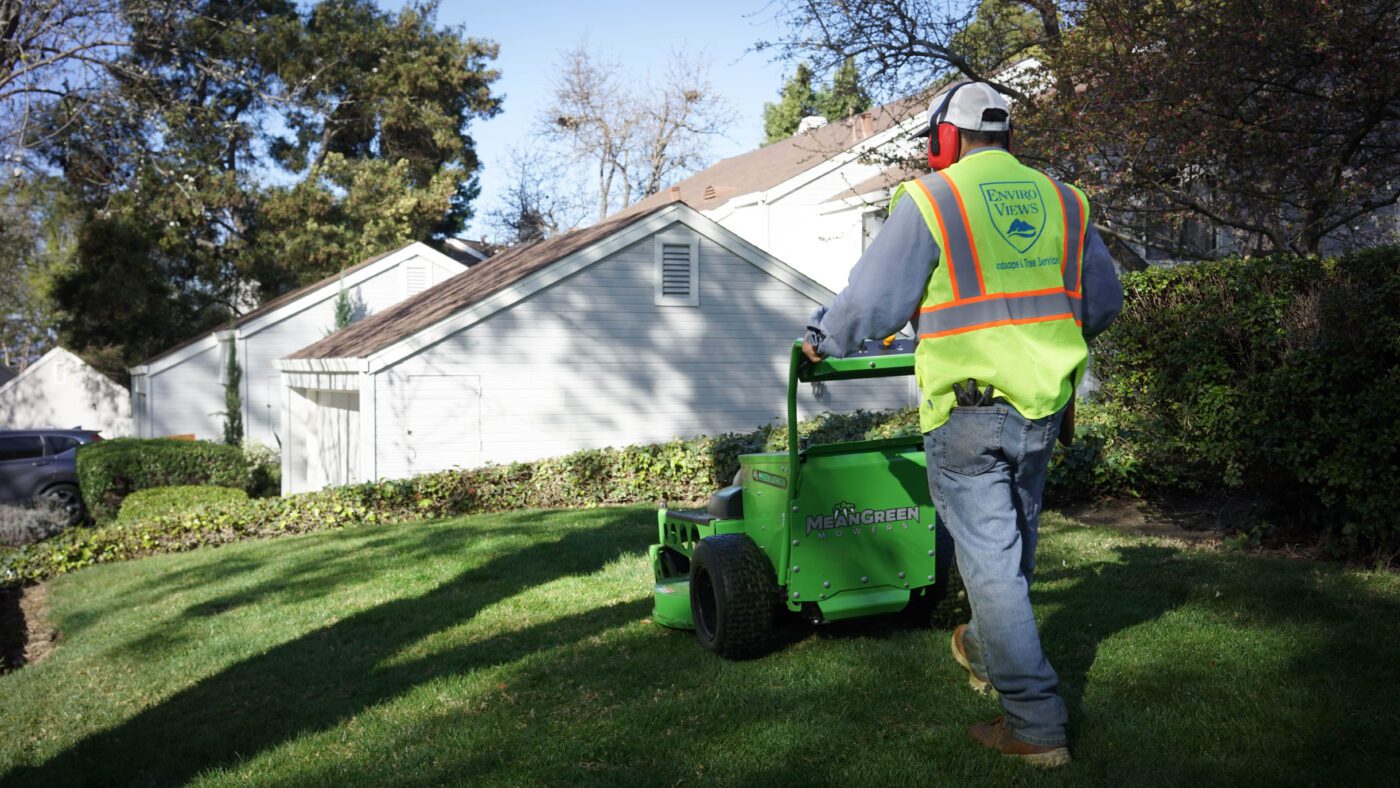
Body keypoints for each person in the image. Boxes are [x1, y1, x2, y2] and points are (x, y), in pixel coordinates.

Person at [802, 80, 1123, 769]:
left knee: (993, 564)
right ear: (1010, 135)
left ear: (944, 140)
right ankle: (984, 643)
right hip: (1043, 409)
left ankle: (1035, 721)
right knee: (1013, 552)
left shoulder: (933, 199)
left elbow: (875, 299)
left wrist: (822, 338)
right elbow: (1102, 301)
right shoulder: (1066, 201)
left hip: (969, 416)